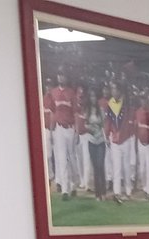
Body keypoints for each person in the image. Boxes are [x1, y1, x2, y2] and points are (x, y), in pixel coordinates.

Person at [45, 68, 78, 200]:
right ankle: (65, 190)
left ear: (66, 77)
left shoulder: (71, 93)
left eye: (62, 75)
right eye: (59, 75)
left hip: (70, 128)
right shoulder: (53, 92)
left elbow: (75, 113)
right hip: (58, 128)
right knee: (62, 158)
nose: (60, 77)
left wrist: (76, 131)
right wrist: (51, 130)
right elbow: (52, 113)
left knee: (72, 158)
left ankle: (74, 184)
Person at [83, 90, 108, 202]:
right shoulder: (87, 111)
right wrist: (89, 127)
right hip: (91, 141)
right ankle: (97, 193)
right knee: (95, 167)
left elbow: (104, 125)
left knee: (100, 165)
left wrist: (104, 136)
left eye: (94, 96)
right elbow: (85, 124)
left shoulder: (101, 110)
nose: (93, 98)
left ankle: (103, 191)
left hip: (100, 141)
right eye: (91, 96)